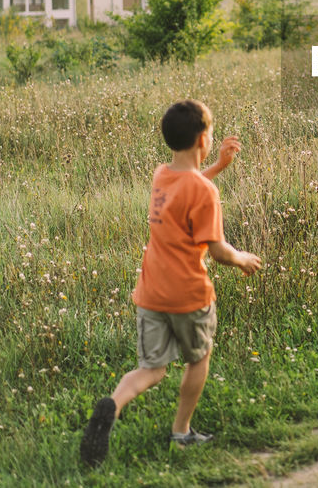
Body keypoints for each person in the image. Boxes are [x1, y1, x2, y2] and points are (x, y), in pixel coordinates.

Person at [80, 99, 262, 467]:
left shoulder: (161, 175)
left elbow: (185, 188)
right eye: (210, 132)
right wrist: (243, 258)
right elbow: (218, 251)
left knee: (152, 368)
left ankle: (112, 407)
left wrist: (217, 168)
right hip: (188, 295)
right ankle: (182, 432)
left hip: (151, 291)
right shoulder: (205, 192)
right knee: (199, 357)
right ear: (202, 139)